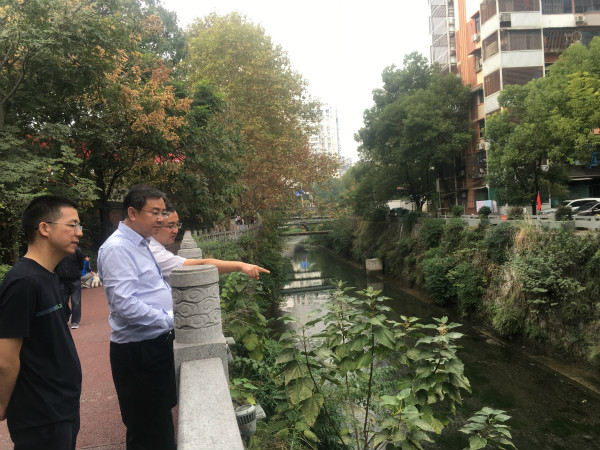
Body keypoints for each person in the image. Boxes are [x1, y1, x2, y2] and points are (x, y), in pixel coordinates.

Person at [97, 185, 177, 450]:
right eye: (155, 212)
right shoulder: (118, 249)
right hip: (139, 353)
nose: (161, 219)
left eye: (163, 212)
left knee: (159, 422)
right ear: (132, 212)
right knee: (147, 429)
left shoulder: (141, 243)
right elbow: (124, 305)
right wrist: (169, 319)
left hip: (153, 346)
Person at [0, 195, 83, 450]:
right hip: (41, 417)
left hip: (62, 408)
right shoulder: (22, 282)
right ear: (44, 228)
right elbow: (5, 358)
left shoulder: (48, 275)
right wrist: (1, 405)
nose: (79, 233)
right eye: (72, 225)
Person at [149, 205, 269, 285]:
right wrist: (241, 265)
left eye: (177, 225)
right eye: (170, 226)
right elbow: (200, 265)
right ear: (155, 224)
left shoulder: (152, 247)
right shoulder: (154, 253)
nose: (175, 231)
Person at [55, 247, 84, 329]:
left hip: (75, 279)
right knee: (62, 301)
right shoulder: (58, 249)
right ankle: (67, 315)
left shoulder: (77, 250)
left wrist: (75, 271)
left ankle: (75, 321)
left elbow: (81, 265)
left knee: (76, 301)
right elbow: (55, 264)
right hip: (62, 280)